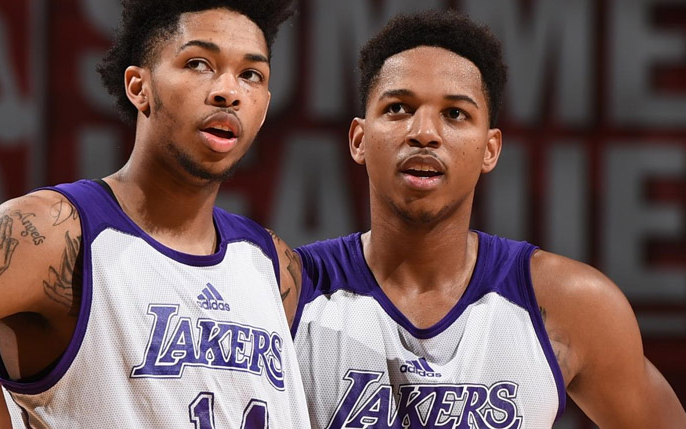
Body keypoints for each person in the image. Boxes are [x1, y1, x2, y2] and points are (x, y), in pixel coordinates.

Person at [0, 1, 311, 427]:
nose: (228, 92)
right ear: (138, 87)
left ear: (265, 107)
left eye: (251, 75)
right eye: (198, 64)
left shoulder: (272, 265)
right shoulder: (45, 236)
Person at [290, 10, 686, 429]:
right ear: (359, 139)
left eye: (455, 114)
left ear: (490, 149)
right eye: (399, 108)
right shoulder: (291, 293)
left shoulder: (573, 304)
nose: (424, 132)